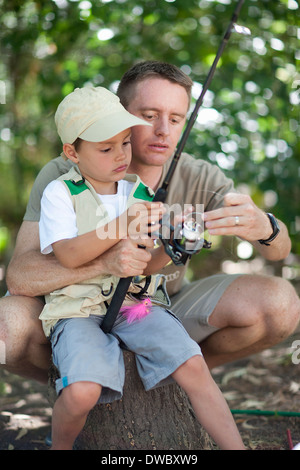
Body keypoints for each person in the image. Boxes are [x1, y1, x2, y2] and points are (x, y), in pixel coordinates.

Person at [3, 61, 300, 384]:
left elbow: (278, 251)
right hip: (74, 313)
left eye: (175, 119)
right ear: (120, 116)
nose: (164, 131)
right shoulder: (63, 174)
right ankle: (73, 391)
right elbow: (20, 278)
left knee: (281, 304)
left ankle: (168, 384)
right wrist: (105, 263)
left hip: (158, 309)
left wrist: (266, 227)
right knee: (6, 327)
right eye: (149, 116)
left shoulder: (200, 175)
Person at [39, 85, 245, 450]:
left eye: (125, 143)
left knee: (192, 366)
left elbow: (149, 265)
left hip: (135, 305)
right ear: (72, 152)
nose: (120, 155)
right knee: (82, 390)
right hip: (77, 311)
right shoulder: (60, 192)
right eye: (106, 148)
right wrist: (122, 224)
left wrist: (176, 244)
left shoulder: (139, 193)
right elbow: (68, 255)